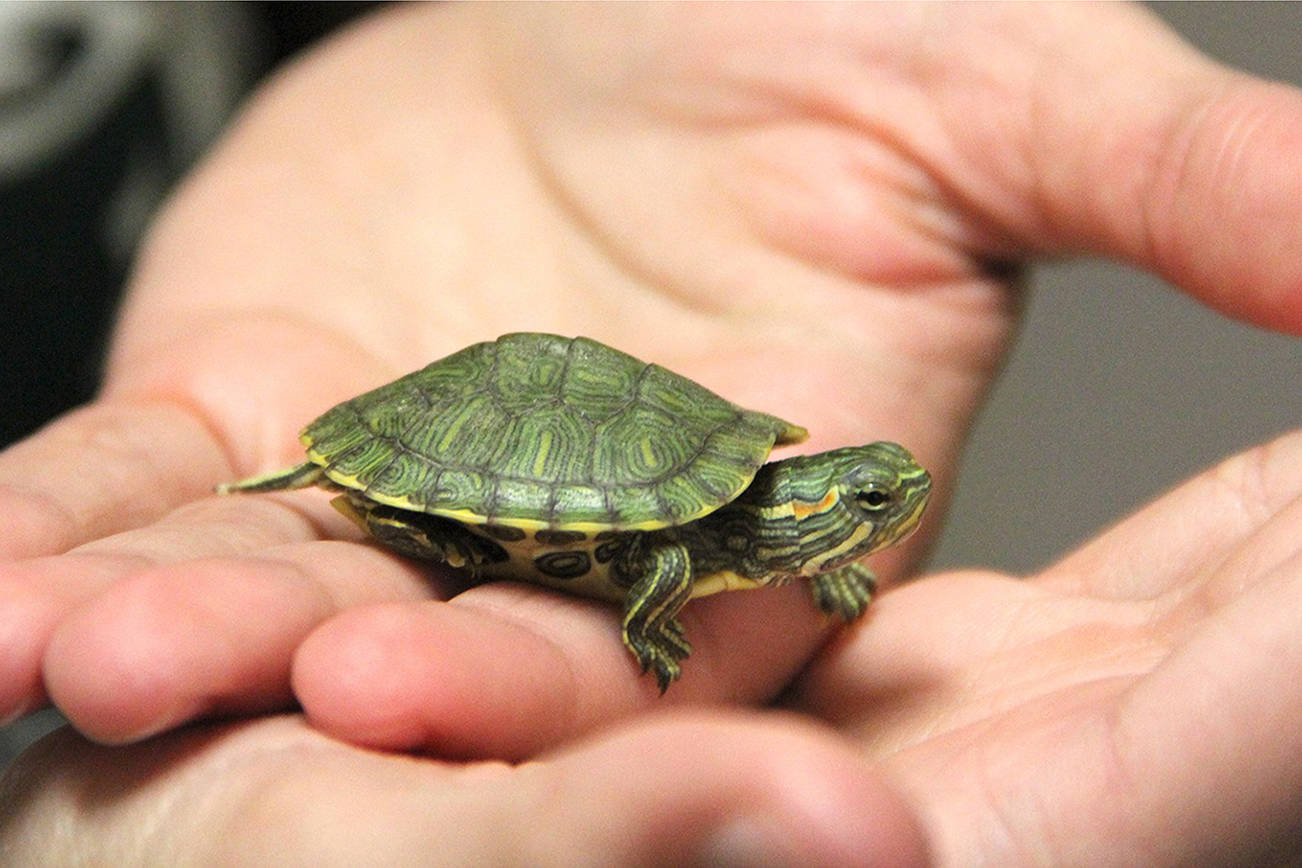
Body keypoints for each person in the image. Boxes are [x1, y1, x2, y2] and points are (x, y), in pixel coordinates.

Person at [2, 4, 1300, 863]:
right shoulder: (694, 546)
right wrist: (650, 608)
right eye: (848, 509)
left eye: (852, 504)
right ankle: (338, 472)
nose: (865, 507)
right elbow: (660, 551)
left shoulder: (761, 531)